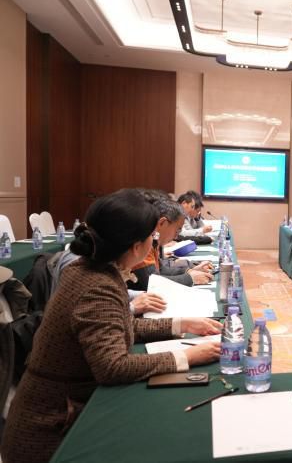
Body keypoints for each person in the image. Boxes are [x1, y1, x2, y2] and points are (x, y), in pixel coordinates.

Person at [0, 189, 221, 463]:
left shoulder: (93, 270)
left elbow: (118, 325)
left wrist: (180, 324)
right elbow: (112, 367)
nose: (154, 241)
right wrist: (186, 356)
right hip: (52, 432)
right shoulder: (97, 285)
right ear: (135, 246)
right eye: (151, 237)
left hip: (63, 414)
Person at [129, 196, 213, 291]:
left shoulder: (154, 240)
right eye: (177, 230)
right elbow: (149, 282)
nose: (176, 237)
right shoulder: (144, 240)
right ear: (162, 223)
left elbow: (160, 269)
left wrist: (189, 271)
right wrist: (190, 278)